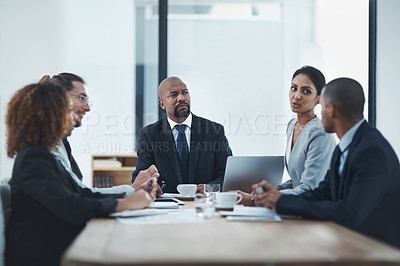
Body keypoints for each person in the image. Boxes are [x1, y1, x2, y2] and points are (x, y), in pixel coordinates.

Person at [5, 80, 157, 266]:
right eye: (67, 110)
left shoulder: (43, 155)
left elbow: (81, 193)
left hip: (58, 247)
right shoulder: (32, 158)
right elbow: (71, 206)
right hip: (43, 256)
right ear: (49, 116)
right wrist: (125, 204)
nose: (75, 117)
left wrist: (130, 197)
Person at [253, 78, 400, 248]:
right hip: (351, 240)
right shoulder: (346, 145)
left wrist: (281, 202)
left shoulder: (371, 151)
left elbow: (349, 213)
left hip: (378, 249)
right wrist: (277, 199)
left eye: (321, 106)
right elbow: (322, 193)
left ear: (331, 110)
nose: (319, 113)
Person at [237, 66, 336, 205]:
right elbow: (297, 180)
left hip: (313, 208)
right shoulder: (292, 125)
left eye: (306, 91)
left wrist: (256, 199)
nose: (297, 96)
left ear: (318, 99)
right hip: (295, 205)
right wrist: (277, 188)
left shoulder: (320, 133)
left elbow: (309, 188)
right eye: (294, 88)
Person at [47, 73, 159, 195]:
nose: (88, 108)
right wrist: (134, 188)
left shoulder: (60, 142)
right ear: (61, 99)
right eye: (81, 98)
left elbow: (78, 193)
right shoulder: (47, 146)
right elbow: (80, 194)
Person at [132, 76, 232, 193]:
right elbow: (139, 178)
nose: (181, 98)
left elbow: (227, 175)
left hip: (203, 203)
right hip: (167, 206)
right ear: (162, 103)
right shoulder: (149, 134)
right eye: (173, 95)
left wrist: (210, 188)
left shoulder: (214, 131)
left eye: (185, 93)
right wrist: (152, 187)